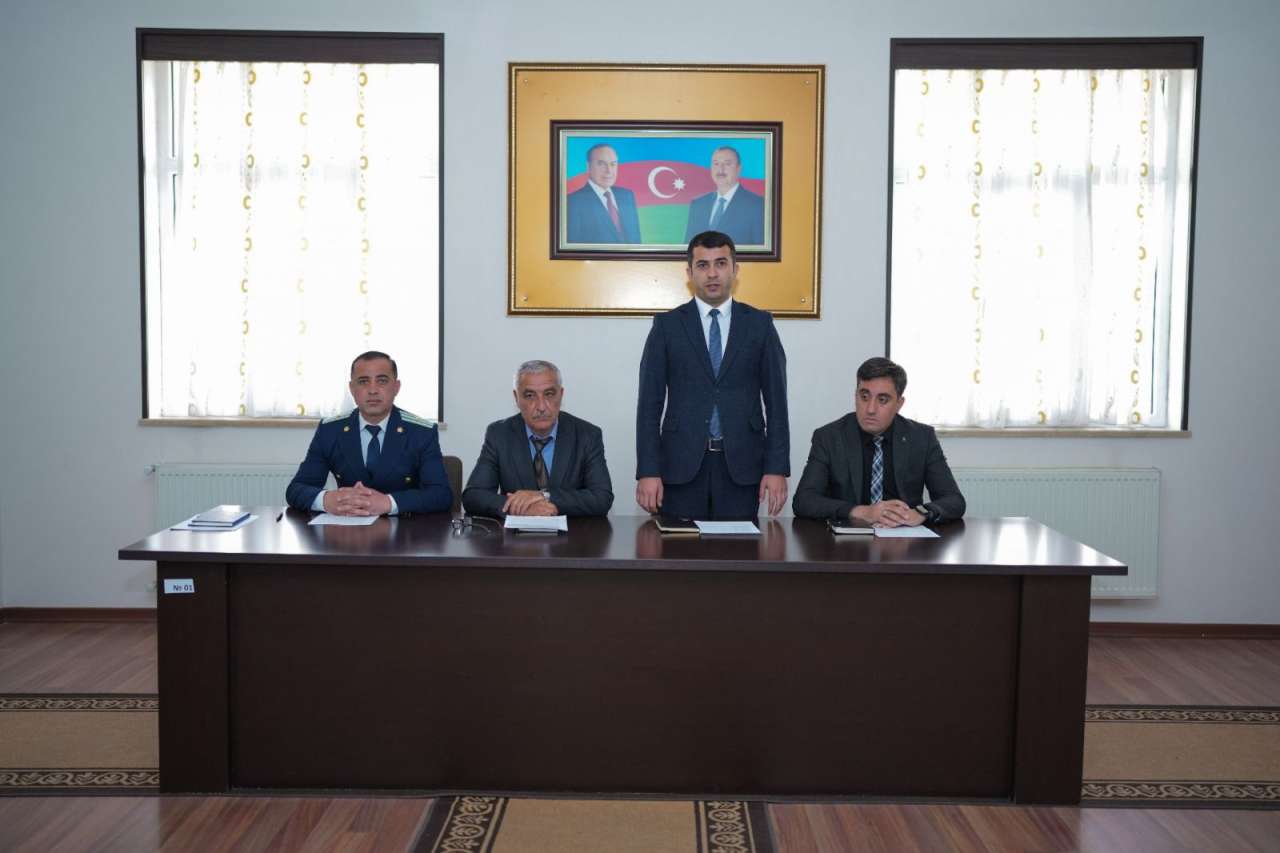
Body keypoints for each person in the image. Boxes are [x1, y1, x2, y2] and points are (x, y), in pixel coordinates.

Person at [636, 230, 789, 520]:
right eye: (703, 265)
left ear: (735, 269)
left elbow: (777, 403)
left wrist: (776, 468)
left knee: (738, 548)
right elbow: (649, 405)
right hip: (680, 467)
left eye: (720, 263)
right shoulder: (667, 326)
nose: (712, 274)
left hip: (742, 468)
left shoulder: (759, 324)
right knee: (679, 547)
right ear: (689, 273)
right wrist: (648, 470)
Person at [792, 357, 965, 526]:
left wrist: (920, 513)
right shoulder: (829, 437)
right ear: (855, 396)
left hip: (903, 536)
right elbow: (803, 501)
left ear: (899, 403)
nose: (870, 409)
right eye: (864, 397)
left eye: (882, 400)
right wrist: (861, 512)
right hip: (848, 539)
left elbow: (954, 500)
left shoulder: (922, 438)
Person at [286, 351, 452, 515]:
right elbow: (296, 489)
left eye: (382, 381)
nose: (373, 390)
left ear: (396, 387)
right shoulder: (330, 430)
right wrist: (326, 500)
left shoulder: (421, 432)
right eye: (363, 382)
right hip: (347, 527)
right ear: (352, 388)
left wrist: (389, 503)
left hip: (405, 528)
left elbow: (441, 495)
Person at [462, 360, 614, 517]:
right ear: (516, 398)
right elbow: (473, 496)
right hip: (516, 533)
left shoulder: (587, 435)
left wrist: (544, 497)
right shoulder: (499, 434)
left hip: (573, 531)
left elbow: (602, 498)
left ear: (561, 394)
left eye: (549, 394)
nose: (541, 407)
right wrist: (520, 507)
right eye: (529, 396)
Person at [683, 146, 765, 246]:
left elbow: (760, 250)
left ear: (739, 168)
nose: (720, 169)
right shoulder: (698, 204)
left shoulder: (757, 205)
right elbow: (688, 246)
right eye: (716, 164)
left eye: (727, 164)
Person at [565, 143, 641, 244]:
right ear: (588, 166)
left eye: (613, 164)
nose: (609, 171)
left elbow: (636, 241)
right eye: (601, 164)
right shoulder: (573, 202)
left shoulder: (627, 195)